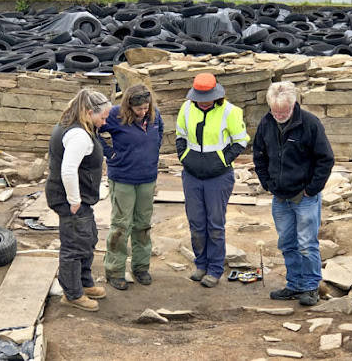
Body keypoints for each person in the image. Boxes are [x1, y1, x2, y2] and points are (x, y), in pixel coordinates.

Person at [253, 81, 334, 306]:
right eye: (275, 110)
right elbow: (259, 154)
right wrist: (267, 183)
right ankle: (294, 285)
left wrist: (312, 189)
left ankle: (310, 287)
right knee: (287, 243)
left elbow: (325, 159)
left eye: (283, 111)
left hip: (304, 196)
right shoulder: (266, 123)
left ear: (294, 104)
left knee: (307, 244)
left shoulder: (309, 124)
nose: (278, 115)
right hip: (280, 197)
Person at [176, 73, 250, 288]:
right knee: (196, 223)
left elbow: (241, 141)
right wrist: (183, 157)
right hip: (191, 174)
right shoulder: (186, 108)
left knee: (215, 225)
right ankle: (201, 264)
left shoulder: (230, 111)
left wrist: (223, 161)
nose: (203, 100)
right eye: (199, 96)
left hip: (218, 177)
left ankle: (215, 269)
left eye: (207, 96)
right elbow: (180, 136)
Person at [45, 89, 112, 312]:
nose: (104, 122)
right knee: (74, 245)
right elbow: (68, 170)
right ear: (90, 112)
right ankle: (72, 294)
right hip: (71, 199)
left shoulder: (74, 125)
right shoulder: (79, 135)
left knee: (87, 237)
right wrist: (74, 200)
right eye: (102, 118)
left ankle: (84, 283)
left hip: (80, 198)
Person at [98, 84, 163, 290]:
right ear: (129, 106)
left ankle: (141, 267)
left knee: (142, 224)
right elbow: (92, 129)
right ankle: (115, 271)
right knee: (121, 225)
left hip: (147, 178)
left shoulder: (154, 115)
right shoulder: (114, 115)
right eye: (138, 109)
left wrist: (151, 156)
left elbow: (159, 133)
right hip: (123, 178)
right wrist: (109, 154)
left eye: (145, 108)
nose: (143, 112)